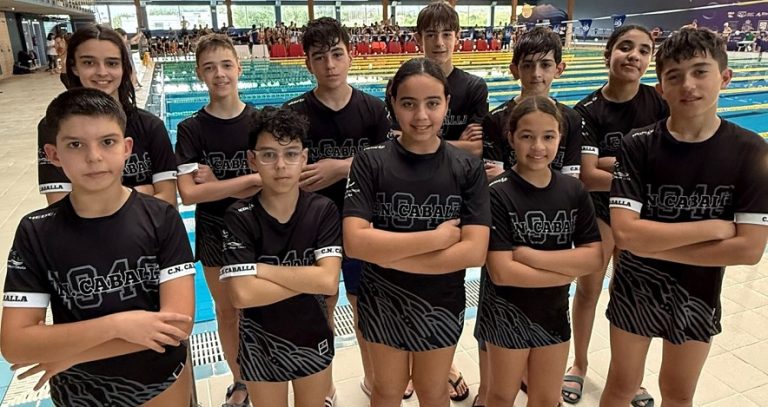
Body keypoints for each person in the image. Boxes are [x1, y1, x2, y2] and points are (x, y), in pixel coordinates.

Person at [601, 27, 768, 406]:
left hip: (698, 292)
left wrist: (651, 246)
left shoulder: (751, 151)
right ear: (661, 88)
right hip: (635, 289)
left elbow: (748, 250)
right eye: (674, 76)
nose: (688, 85)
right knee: (622, 385)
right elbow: (625, 234)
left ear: (725, 77)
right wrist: (711, 228)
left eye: (700, 71)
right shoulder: (637, 145)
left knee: (678, 393)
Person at [1, 87, 196, 406]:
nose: (94, 157)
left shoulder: (161, 218)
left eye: (107, 142)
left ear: (126, 148)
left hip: (160, 380)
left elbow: (176, 326)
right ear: (53, 155)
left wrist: (75, 354)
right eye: (75, 144)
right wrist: (119, 324)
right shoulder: (36, 231)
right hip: (79, 392)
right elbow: (15, 344)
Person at [343, 57, 491, 407]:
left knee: (433, 389)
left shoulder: (467, 167)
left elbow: (474, 252)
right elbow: (355, 242)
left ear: (447, 104)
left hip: (441, 302)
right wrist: (435, 240)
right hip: (382, 302)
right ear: (393, 103)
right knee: (386, 390)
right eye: (409, 104)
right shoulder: (370, 161)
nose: (421, 116)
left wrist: (388, 255)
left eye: (432, 103)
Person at [283, 16, 391, 405]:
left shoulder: (374, 109)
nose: (329, 65)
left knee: (366, 309)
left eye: (336, 54)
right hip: (312, 228)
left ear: (351, 55)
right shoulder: (294, 113)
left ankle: (373, 379)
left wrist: (340, 167)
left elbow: (390, 162)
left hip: (363, 224)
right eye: (319, 57)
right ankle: (324, 388)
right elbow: (283, 167)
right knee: (320, 311)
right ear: (307, 63)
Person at [475, 26, 583, 407]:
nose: (536, 74)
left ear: (559, 69)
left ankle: (532, 376)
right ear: (514, 69)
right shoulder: (496, 119)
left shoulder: (571, 120)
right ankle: (490, 389)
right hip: (504, 231)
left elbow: (571, 184)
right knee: (493, 315)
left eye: (545, 65)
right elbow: (490, 180)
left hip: (550, 235)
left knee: (548, 308)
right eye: (528, 65)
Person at [566, 24, 668, 407]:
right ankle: (578, 364)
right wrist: (638, 171)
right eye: (625, 47)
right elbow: (588, 176)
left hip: (641, 216)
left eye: (644, 50)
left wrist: (613, 163)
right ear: (607, 54)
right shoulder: (587, 111)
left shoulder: (658, 103)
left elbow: (668, 161)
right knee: (588, 290)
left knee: (630, 297)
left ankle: (630, 378)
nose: (634, 56)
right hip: (600, 213)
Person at [219, 106, 341, 407]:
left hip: (312, 337)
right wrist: (309, 278)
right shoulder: (239, 216)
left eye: (290, 154)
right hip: (259, 345)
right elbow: (242, 294)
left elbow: (328, 281)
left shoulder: (322, 210)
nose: (281, 165)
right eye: (268, 155)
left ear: (304, 158)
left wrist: (260, 270)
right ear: (252, 160)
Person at [175, 33, 262, 407]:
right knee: (228, 312)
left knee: (261, 309)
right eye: (210, 68)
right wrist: (250, 180)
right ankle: (241, 380)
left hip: (261, 227)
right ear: (199, 74)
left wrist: (218, 183)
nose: (220, 74)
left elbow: (275, 180)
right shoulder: (191, 128)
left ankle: (267, 373)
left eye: (226, 65)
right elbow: (189, 194)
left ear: (239, 68)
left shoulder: (260, 121)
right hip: (215, 231)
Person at [38, 25, 177, 207]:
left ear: (123, 67)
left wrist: (93, 199)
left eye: (112, 63)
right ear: (74, 67)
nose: (102, 72)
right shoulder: (53, 126)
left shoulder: (150, 126)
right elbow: (60, 206)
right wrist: (144, 192)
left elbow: (168, 201)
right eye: (89, 63)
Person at [413, 1, 488, 158]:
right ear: (419, 39)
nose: (439, 42)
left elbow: (476, 149)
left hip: (459, 172)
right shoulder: (404, 86)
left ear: (457, 37)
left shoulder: (474, 87)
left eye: (446, 34)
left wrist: (422, 143)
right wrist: (459, 145)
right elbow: (399, 143)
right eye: (431, 35)